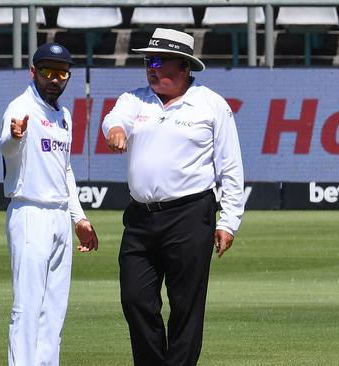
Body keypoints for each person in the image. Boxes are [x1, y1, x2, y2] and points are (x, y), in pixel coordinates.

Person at [102, 28, 245, 366]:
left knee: (186, 305)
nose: (150, 68)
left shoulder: (211, 105)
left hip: (190, 214)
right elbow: (113, 119)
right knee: (135, 299)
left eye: (157, 61)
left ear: (182, 67)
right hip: (140, 216)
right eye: (147, 61)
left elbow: (231, 167)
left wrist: (229, 221)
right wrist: (116, 130)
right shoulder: (134, 99)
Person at [0, 42, 99, 366]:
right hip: (30, 212)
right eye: (47, 72)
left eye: (61, 73)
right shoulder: (20, 107)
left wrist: (79, 219)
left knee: (54, 309)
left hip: (58, 216)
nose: (54, 79)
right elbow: (6, 148)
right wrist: (15, 137)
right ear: (33, 72)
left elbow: (65, 170)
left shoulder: (64, 116)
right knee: (27, 307)